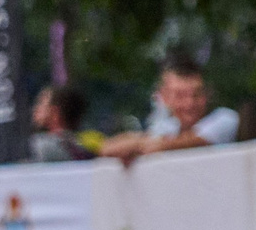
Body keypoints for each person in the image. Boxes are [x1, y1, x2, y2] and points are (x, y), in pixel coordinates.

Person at [102, 52, 240, 161]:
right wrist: (137, 144)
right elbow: (107, 149)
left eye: (196, 95)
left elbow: (194, 141)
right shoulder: (167, 129)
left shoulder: (225, 119)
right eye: (180, 95)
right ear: (164, 97)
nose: (189, 103)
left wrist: (145, 145)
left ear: (206, 94)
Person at [27, 84, 96, 162]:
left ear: (55, 113)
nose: (35, 109)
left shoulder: (41, 146)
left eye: (41, 103)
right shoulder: (86, 145)